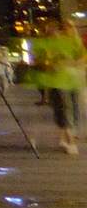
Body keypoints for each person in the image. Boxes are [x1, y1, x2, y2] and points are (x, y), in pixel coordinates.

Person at [25, 18, 85, 155]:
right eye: (66, 27)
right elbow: (40, 62)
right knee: (65, 109)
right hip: (58, 81)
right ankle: (71, 141)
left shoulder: (74, 42)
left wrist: (72, 63)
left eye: (71, 26)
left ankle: (65, 138)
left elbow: (82, 58)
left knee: (72, 109)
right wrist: (52, 63)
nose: (69, 29)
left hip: (73, 80)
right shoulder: (50, 44)